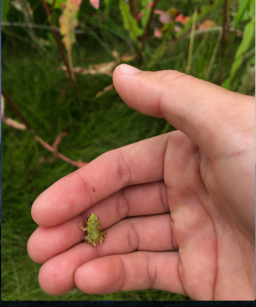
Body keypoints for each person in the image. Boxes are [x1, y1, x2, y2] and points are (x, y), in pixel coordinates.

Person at [27, 64, 255, 300]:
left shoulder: (90, 227)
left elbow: (88, 229)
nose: (93, 219)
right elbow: (93, 228)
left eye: (92, 220)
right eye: (93, 220)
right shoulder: (95, 227)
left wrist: (86, 231)